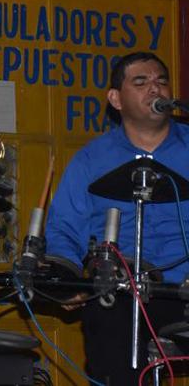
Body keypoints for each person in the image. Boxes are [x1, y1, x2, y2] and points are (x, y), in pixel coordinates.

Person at [45, 52, 189, 385]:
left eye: (161, 81)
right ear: (115, 99)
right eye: (141, 82)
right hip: (121, 293)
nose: (155, 89)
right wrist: (66, 281)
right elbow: (64, 229)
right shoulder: (91, 160)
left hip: (182, 292)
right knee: (108, 329)